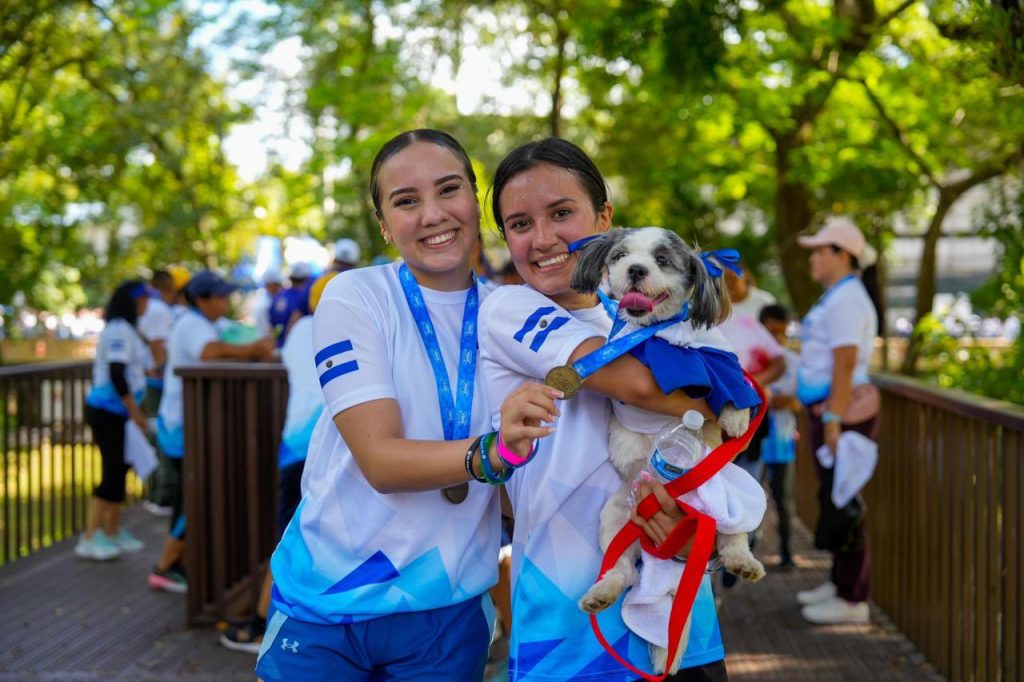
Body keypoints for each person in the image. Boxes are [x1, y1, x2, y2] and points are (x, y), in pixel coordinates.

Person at [256, 129, 557, 681]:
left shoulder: (515, 314)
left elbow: (535, 484)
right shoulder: (356, 295)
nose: (433, 214)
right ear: (383, 224)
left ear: (475, 197)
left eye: (449, 190)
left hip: (448, 609)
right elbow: (382, 463)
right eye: (406, 201)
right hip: (328, 602)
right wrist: (496, 454)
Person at [479, 138, 728, 681]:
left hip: (681, 609)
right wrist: (729, 394)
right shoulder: (508, 306)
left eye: (562, 213)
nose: (542, 239)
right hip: (567, 624)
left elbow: (719, 429)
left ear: (605, 218)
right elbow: (641, 386)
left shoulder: (638, 310)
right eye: (519, 224)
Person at [220, 272, 336, 653]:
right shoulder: (370, 326)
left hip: (297, 449)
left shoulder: (301, 329)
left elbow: (278, 353)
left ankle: (263, 624)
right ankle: (266, 623)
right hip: (342, 451)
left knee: (292, 538)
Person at [149, 270, 276, 593]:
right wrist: (254, 351)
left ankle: (183, 564)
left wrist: (257, 344)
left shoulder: (209, 322)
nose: (225, 302)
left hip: (193, 422)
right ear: (202, 300)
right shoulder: (192, 324)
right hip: (182, 426)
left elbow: (235, 336)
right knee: (192, 496)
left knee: (191, 496)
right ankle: (165, 567)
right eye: (219, 297)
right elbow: (210, 352)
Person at [794, 217, 880, 625]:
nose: (813, 258)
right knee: (834, 497)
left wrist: (832, 418)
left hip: (840, 413)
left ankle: (853, 598)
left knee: (844, 501)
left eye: (820, 250)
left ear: (843, 255)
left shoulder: (847, 299)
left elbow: (845, 364)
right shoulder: (839, 295)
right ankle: (840, 582)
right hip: (832, 411)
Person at [76, 281, 152, 561]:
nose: (147, 304)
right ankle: (90, 536)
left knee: (120, 469)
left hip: (117, 413)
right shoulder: (119, 329)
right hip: (108, 411)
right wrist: (134, 410)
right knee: (111, 471)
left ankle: (111, 531)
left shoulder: (128, 329)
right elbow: (117, 372)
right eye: (144, 298)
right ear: (132, 301)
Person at [758, 303, 800, 570]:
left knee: (784, 499)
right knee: (745, 492)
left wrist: (789, 402)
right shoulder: (748, 357)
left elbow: (802, 402)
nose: (776, 339)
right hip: (753, 441)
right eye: (771, 333)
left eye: (781, 333)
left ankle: (787, 554)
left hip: (783, 438)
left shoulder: (792, 361)